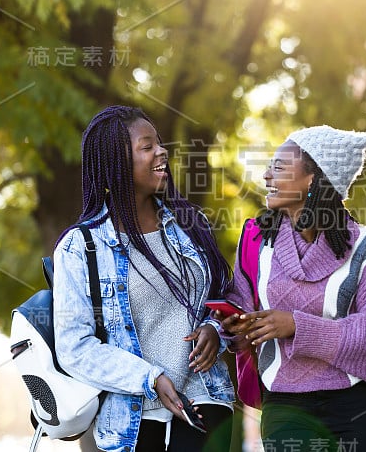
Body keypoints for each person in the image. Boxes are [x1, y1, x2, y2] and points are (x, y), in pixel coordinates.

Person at [53, 106, 234, 452]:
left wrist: (215, 327)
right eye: (147, 146)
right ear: (116, 164)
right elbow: (75, 347)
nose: (162, 151)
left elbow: (224, 296)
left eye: (159, 144)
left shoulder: (190, 224)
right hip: (131, 418)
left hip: (204, 396)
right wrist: (150, 378)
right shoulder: (81, 247)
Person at [218, 125, 366, 452]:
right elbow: (241, 305)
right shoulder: (256, 240)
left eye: (278, 167)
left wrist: (296, 326)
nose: (266, 176)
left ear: (313, 179)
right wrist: (235, 328)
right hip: (284, 406)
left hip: (353, 407)